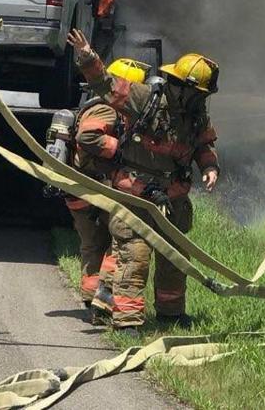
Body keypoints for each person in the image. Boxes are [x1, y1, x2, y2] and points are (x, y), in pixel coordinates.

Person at [67, 29, 220, 329]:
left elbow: (204, 144)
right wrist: (87, 57)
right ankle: (127, 322)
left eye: (204, 96)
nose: (201, 100)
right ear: (181, 87)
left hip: (173, 200)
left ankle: (171, 315)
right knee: (133, 258)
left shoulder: (197, 115)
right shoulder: (145, 99)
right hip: (136, 196)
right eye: (198, 94)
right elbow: (106, 85)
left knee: (175, 260)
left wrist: (210, 167)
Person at [67, 58, 150, 324]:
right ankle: (102, 305)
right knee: (118, 244)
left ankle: (92, 302)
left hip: (82, 188)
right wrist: (122, 149)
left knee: (93, 245)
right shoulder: (107, 109)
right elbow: (87, 137)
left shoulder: (94, 104)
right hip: (95, 188)